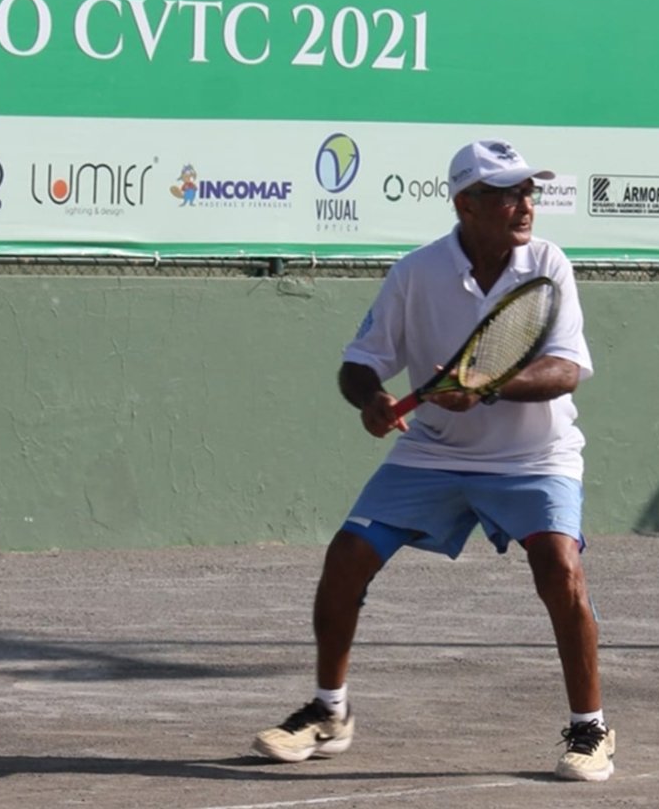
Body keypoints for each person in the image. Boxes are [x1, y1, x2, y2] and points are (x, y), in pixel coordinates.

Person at [251, 139, 614, 782]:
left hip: (535, 456)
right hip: (432, 452)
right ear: (466, 204)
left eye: (529, 191)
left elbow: (565, 370)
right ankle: (329, 712)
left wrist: (489, 386)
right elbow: (359, 362)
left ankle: (591, 730)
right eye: (508, 193)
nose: (525, 204)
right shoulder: (415, 272)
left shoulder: (548, 263)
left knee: (561, 568)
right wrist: (371, 399)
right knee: (346, 556)